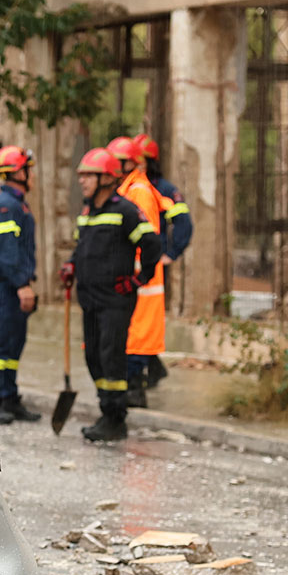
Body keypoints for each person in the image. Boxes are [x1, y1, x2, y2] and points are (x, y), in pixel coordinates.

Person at [61, 147, 159, 442]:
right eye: (81, 176)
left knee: (111, 357)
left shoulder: (125, 211)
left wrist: (139, 279)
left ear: (106, 178)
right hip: (89, 298)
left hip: (115, 300)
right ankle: (106, 409)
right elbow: (82, 247)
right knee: (93, 356)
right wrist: (71, 265)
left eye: (88, 176)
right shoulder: (87, 212)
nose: (82, 181)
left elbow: (152, 244)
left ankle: (116, 418)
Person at [106, 136, 171, 407]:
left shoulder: (139, 191)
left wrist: (132, 272)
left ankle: (135, 388)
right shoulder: (127, 188)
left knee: (137, 336)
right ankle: (135, 383)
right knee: (132, 335)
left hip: (140, 280)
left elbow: (144, 237)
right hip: (132, 278)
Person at [0, 145, 38, 424]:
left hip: (13, 285)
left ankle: (9, 397)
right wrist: (22, 284)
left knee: (14, 346)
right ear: (18, 173)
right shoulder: (6, 205)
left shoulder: (17, 204)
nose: (32, 175)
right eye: (29, 170)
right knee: (1, 346)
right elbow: (6, 252)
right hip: (6, 287)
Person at [135, 133, 189, 391]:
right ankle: (153, 366)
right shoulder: (132, 187)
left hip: (152, 269)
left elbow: (184, 222)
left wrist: (172, 253)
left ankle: (147, 368)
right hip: (135, 266)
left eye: (140, 161)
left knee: (144, 320)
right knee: (138, 320)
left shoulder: (163, 190)